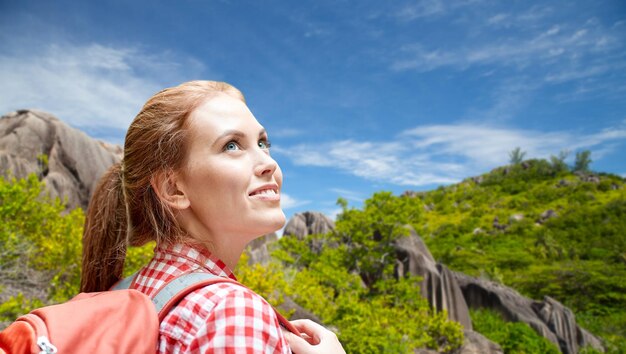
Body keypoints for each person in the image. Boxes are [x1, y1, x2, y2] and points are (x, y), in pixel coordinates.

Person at [80, 80, 346, 354]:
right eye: (232, 146)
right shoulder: (232, 313)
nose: (269, 163)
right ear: (174, 188)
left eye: (263, 143)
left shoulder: (125, 291)